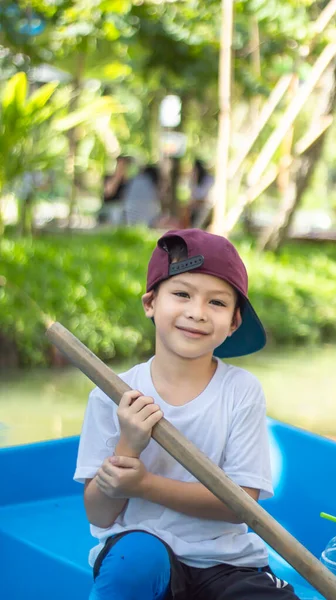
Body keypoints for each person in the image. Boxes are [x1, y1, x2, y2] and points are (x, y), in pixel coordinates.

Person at [74, 228, 299, 600]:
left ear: (234, 323)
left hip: (227, 564)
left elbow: (240, 506)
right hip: (141, 552)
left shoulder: (240, 391)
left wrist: (145, 485)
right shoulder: (109, 394)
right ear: (150, 303)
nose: (197, 313)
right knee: (136, 560)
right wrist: (128, 447)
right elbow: (99, 515)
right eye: (181, 294)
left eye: (217, 303)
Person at [99, 156, 134, 225]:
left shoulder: (131, 181)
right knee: (116, 211)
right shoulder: (108, 177)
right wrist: (118, 176)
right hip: (111, 207)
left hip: (127, 207)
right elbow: (108, 192)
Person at [187, 159, 215, 228]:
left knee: (198, 223)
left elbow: (201, 194)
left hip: (205, 206)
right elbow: (193, 195)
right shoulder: (192, 180)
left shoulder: (208, 179)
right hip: (196, 206)